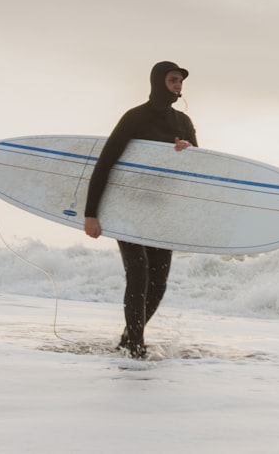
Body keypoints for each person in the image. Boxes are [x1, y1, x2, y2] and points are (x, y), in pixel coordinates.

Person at [83, 61, 198, 358]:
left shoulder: (183, 122)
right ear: (159, 81)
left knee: (159, 281)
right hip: (129, 206)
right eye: (173, 80)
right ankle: (136, 345)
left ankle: (129, 336)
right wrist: (91, 213)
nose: (178, 86)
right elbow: (105, 163)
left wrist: (187, 151)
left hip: (162, 209)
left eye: (180, 82)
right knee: (138, 271)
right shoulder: (135, 118)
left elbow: (198, 169)